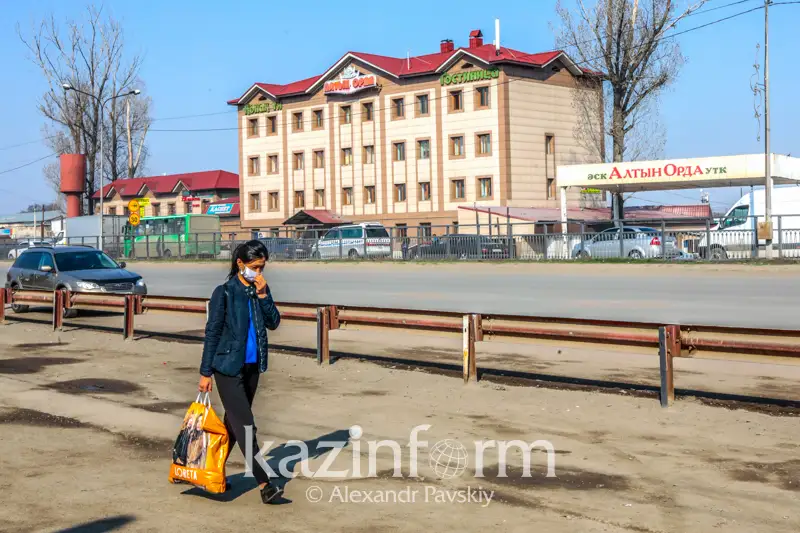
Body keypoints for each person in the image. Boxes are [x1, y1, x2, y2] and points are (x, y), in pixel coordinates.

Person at [198, 240, 283, 504]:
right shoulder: (224, 292)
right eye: (255, 267)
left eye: (262, 267)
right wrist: (205, 372)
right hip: (227, 368)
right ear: (240, 264)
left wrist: (264, 296)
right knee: (247, 425)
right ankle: (265, 483)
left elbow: (274, 322)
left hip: (252, 368)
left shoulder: (258, 291)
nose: (259, 272)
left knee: (234, 426)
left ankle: (210, 469)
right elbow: (212, 333)